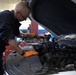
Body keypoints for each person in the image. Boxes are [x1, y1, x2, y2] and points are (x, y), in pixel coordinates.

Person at [0, 1, 38, 75]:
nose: (24, 19)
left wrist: (29, 35)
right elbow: (11, 41)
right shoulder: (5, 18)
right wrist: (23, 54)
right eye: (24, 17)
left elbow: (18, 34)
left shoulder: (15, 20)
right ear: (17, 12)